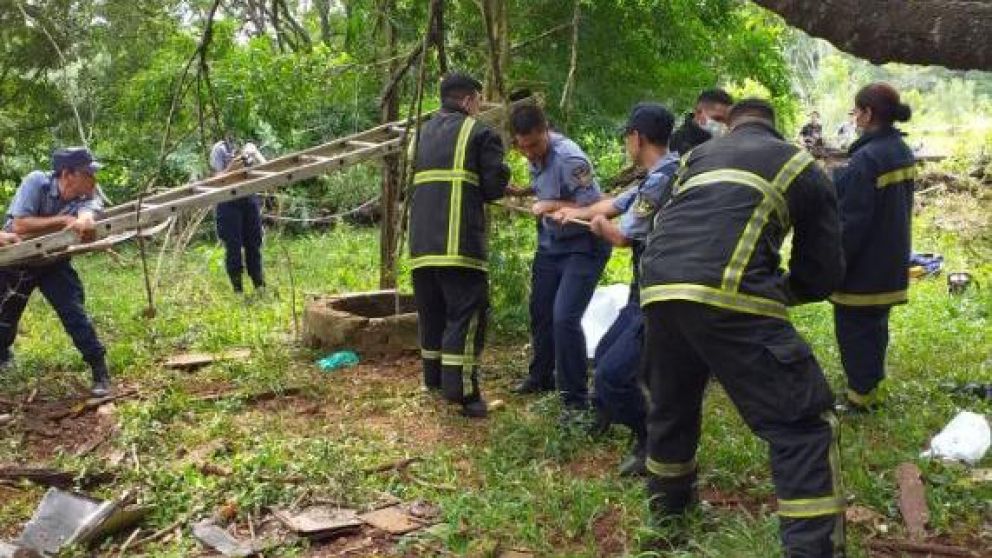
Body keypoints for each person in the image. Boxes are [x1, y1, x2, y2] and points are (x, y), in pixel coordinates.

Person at [639, 99, 846, 556]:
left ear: (729, 127)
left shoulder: (695, 157)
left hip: (658, 289)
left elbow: (659, 222)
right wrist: (781, 290)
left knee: (671, 410)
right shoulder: (799, 165)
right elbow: (822, 273)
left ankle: (667, 524)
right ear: (774, 127)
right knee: (803, 425)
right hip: (729, 292)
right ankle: (813, 550)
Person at [553, 103, 679, 475]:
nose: (627, 143)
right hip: (643, 290)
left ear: (637, 137)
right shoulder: (659, 173)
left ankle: (651, 439)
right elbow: (614, 203)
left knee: (612, 374)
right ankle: (606, 414)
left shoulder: (662, 179)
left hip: (659, 293)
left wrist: (599, 226)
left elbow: (623, 235)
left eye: (627, 137)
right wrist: (572, 213)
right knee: (608, 349)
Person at [408, 73, 510, 418]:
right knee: (466, 317)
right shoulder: (479, 133)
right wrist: (504, 176)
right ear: (468, 100)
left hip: (421, 246)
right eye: (478, 100)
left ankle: (434, 382)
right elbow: (493, 187)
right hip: (459, 246)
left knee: (432, 315)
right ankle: (465, 395)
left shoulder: (420, 133)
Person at [508, 104, 611, 419]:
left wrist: (552, 204)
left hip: (584, 247)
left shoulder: (570, 159)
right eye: (523, 147)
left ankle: (575, 400)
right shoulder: (532, 156)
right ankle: (541, 376)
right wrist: (522, 192)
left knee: (564, 317)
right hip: (551, 246)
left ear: (546, 131)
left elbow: (597, 206)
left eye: (535, 145)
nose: (529, 153)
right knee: (541, 311)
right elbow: (543, 185)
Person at [0, 147, 112, 396]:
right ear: (67, 174)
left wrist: (85, 218)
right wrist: (64, 221)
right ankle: (2, 357)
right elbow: (20, 225)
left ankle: (99, 370)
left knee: (74, 313)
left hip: (53, 261)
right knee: (4, 316)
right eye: (87, 173)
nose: (93, 179)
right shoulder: (36, 182)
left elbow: (90, 210)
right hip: (16, 262)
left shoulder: (85, 194)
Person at [831, 83, 915, 412]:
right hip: (890, 261)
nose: (854, 117)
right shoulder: (900, 149)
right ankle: (873, 385)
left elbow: (851, 222)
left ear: (868, 113)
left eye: (856, 111)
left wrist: (835, 262)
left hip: (863, 269)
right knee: (875, 328)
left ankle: (860, 398)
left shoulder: (867, 158)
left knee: (854, 332)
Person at [210, 136, 266, 294]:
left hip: (248, 197)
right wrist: (231, 169)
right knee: (233, 246)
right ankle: (238, 290)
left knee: (254, 243)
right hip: (228, 201)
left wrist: (254, 154)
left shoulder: (247, 145)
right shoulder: (219, 149)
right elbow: (215, 180)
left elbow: (265, 168)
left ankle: (259, 285)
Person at [668, 88, 734, 156]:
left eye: (727, 121)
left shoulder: (729, 143)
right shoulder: (674, 144)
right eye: (717, 118)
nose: (723, 124)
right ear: (698, 112)